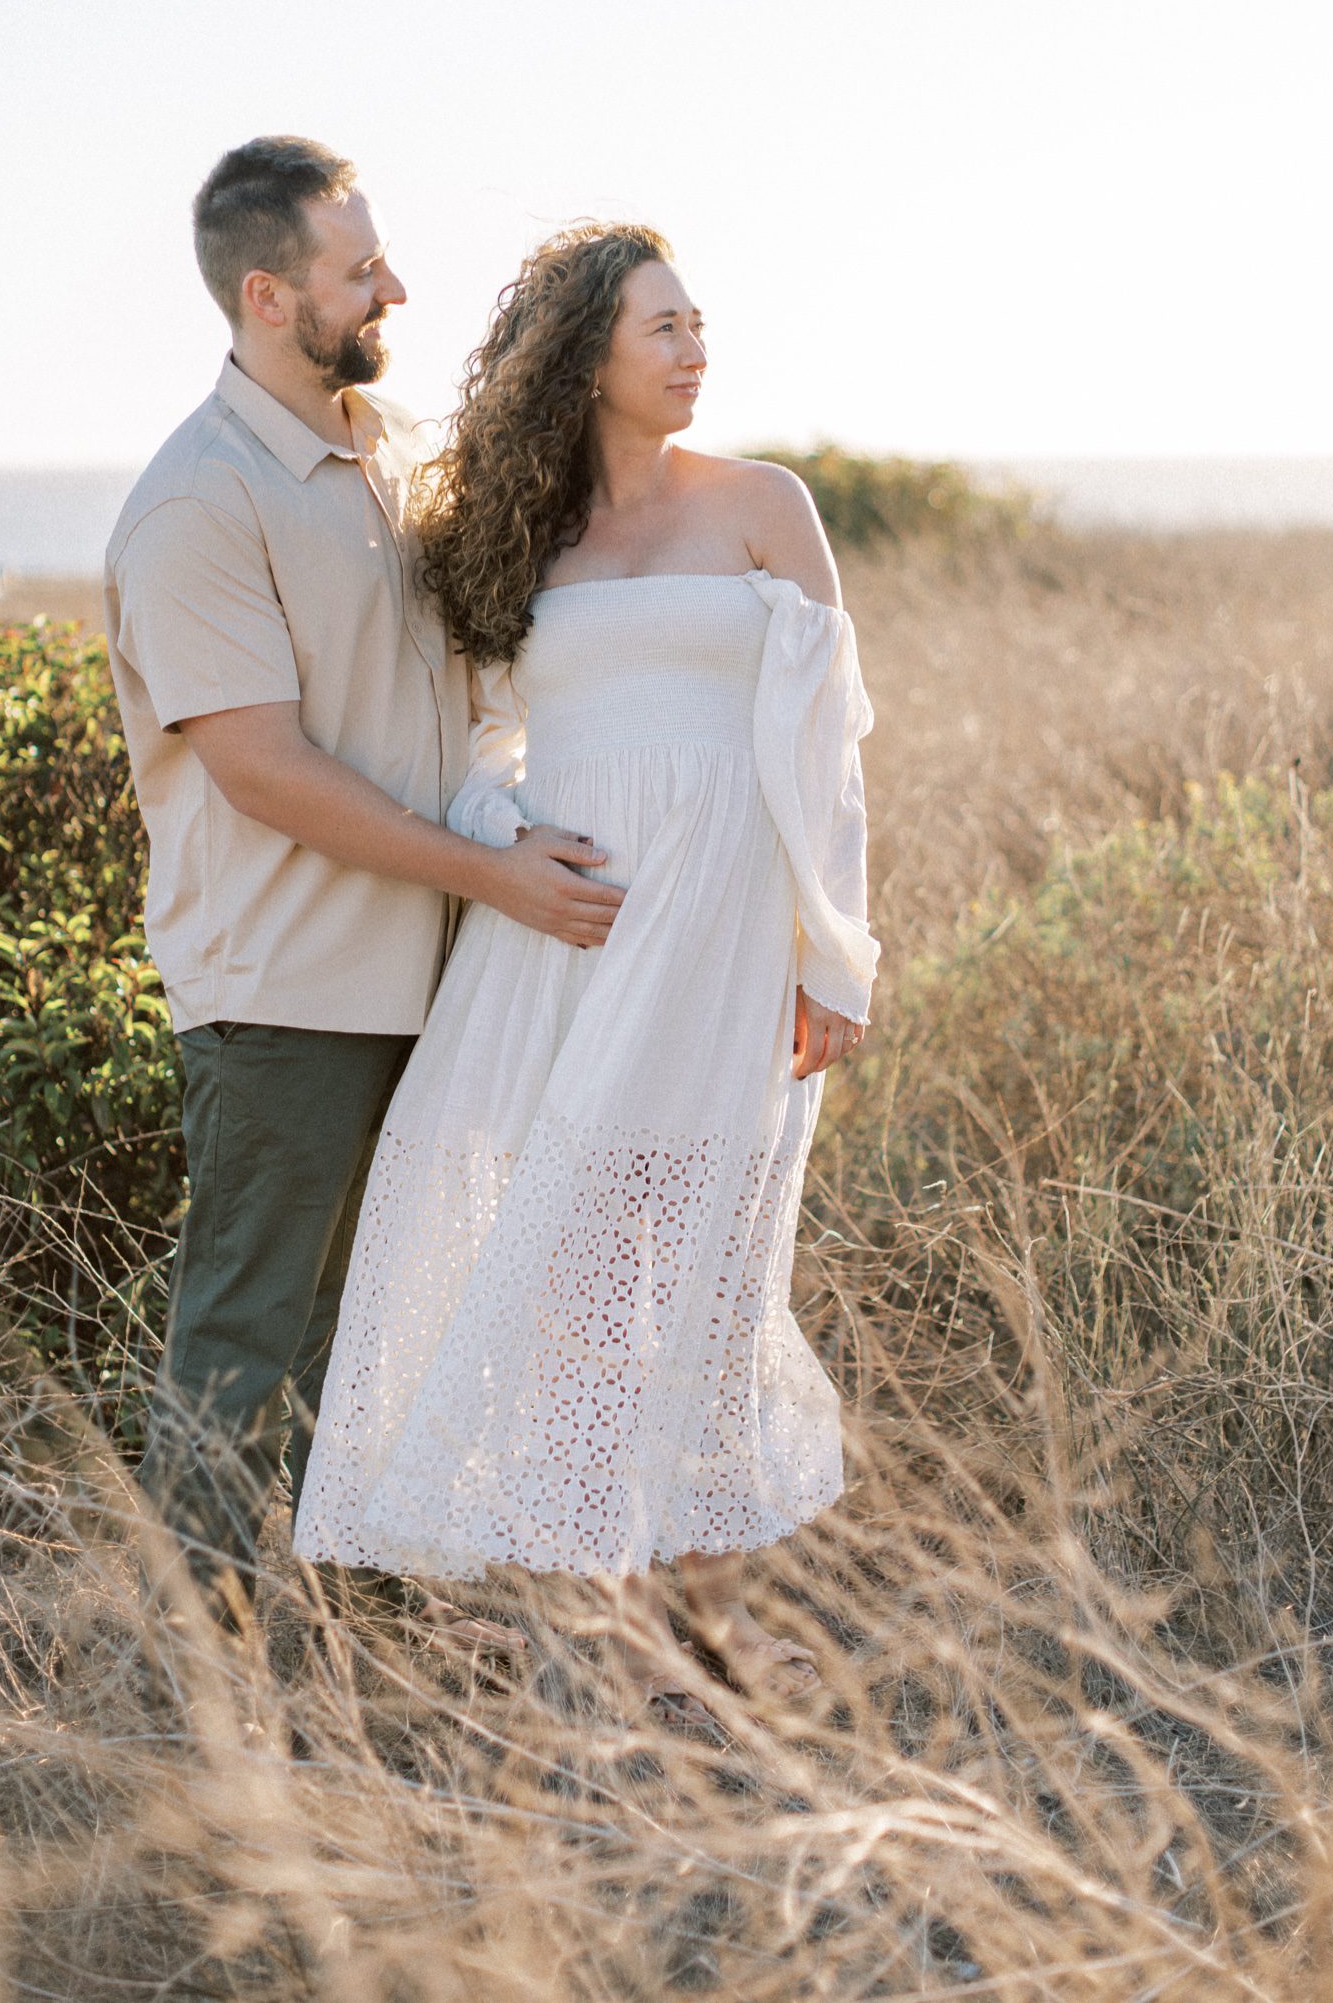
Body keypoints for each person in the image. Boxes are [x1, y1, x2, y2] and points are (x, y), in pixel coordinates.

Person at [295, 222, 878, 1724]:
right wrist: (508, 840)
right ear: (586, 358)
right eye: (661, 328)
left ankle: (721, 1635)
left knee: (709, 1274)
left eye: (700, 323)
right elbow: (481, 740)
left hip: (728, 949)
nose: (694, 348)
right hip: (574, 935)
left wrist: (838, 953)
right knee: (571, 1276)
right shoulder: (520, 539)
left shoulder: (765, 507)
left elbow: (831, 755)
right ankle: (608, 1628)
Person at [104, 139, 624, 1635]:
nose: (394, 286)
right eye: (359, 269)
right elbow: (261, 768)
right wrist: (491, 877)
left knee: (394, 1331)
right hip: (288, 994)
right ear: (269, 296)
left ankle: (374, 1644)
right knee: (245, 1338)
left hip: (441, 976)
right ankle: (193, 1700)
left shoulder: (389, 450)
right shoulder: (195, 504)